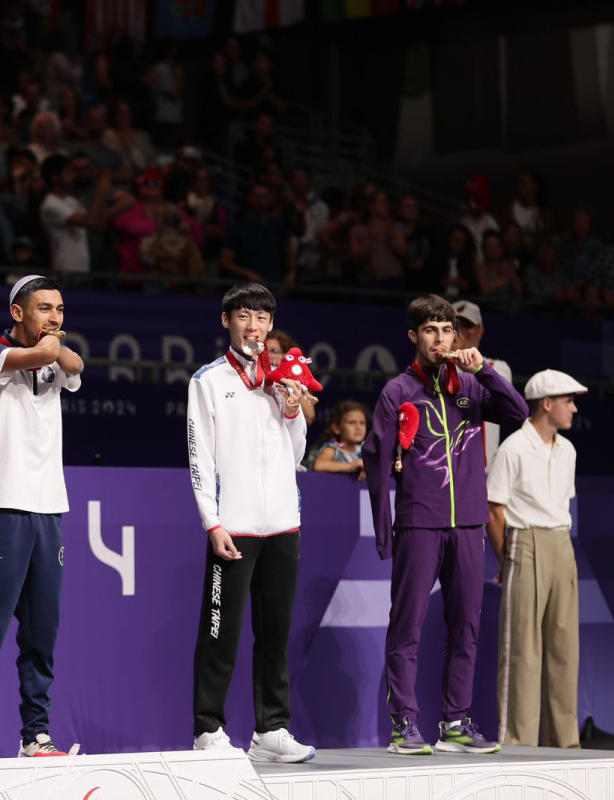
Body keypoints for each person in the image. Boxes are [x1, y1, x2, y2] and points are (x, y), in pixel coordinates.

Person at [364, 294, 527, 756]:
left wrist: (485, 372)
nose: (440, 339)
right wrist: (384, 526)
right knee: (407, 626)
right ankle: (404, 726)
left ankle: (455, 721)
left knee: (466, 626)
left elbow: (517, 413)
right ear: (414, 336)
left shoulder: (472, 388)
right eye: (431, 331)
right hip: (420, 523)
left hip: (468, 525)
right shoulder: (398, 391)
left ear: (457, 336)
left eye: (447, 330)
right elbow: (375, 458)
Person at [0, 275, 84, 760]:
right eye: (45, 308)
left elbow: (74, 364)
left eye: (61, 309)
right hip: (0, 506)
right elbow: (47, 355)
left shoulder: (51, 354)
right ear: (17, 313)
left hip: (49, 510)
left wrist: (55, 342)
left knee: (41, 634)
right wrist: (51, 344)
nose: (55, 317)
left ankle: (36, 736)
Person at [186, 283, 315, 763]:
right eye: (244, 317)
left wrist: (293, 409)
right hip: (233, 525)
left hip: (283, 524)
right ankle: (208, 728)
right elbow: (199, 457)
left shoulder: (281, 378)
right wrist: (212, 521)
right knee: (220, 631)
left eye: (262, 319)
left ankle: (272, 729)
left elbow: (296, 453)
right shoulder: (208, 380)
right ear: (227, 321)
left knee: (275, 632)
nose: (254, 327)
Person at [487, 369, 586, 749]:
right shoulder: (513, 447)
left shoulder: (568, 450)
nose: (574, 409)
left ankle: (566, 744)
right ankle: (518, 743)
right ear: (547, 404)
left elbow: (560, 504)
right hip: (524, 542)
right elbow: (494, 509)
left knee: (565, 647)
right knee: (522, 649)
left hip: (561, 543)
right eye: (568, 401)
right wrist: (506, 558)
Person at [39, 154, 126, 275]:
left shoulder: (71, 201)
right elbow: (89, 222)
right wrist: (101, 193)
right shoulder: (51, 204)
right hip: (65, 269)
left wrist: (105, 196)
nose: (74, 176)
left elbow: (98, 225)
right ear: (55, 177)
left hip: (82, 268)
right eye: (69, 172)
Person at [451, 300, 513, 469]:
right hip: (444, 470)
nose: (461, 331)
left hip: (483, 472)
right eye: (456, 325)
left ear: (480, 331)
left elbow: (487, 392)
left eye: (467, 325)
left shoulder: (497, 367)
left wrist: (463, 355)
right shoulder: (438, 368)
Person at [221, 183, 292, 288]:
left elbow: (289, 254)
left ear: (269, 200)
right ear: (249, 198)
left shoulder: (278, 226)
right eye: (256, 197)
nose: (260, 201)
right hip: (246, 289)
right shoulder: (237, 227)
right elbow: (225, 261)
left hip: (275, 288)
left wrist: (292, 272)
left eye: (264, 197)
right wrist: (247, 274)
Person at [311, 401, 368, 480]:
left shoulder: (365, 449)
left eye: (362, 423)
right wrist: (352, 466)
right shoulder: (332, 449)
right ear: (336, 428)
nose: (358, 427)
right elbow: (319, 465)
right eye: (352, 423)